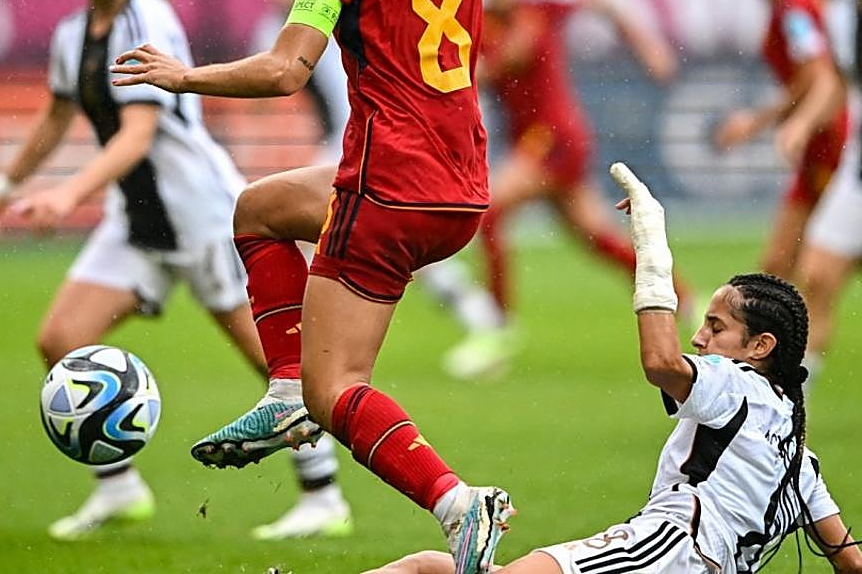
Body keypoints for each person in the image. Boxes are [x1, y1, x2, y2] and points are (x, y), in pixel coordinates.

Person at [110, 0, 640, 572]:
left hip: (386, 186)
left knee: (338, 391)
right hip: (460, 189)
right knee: (258, 208)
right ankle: (283, 389)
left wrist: (184, 77)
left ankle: (455, 503)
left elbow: (287, 69)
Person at [0, 0, 350, 542]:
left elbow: (137, 133)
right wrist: (4, 187)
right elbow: (56, 117)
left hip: (204, 217)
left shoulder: (148, 17)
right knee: (61, 339)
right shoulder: (71, 35)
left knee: (276, 363)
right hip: (138, 221)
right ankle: (119, 488)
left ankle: (324, 497)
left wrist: (67, 195)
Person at [365, 163, 862, 574]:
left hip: (665, 551)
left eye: (716, 327)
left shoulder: (738, 386)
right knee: (429, 568)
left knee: (440, 570)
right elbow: (850, 561)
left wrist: (651, 244)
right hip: (683, 558)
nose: (700, 338)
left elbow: (661, 362)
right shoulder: (799, 461)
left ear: (760, 347)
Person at [444, 0, 683, 379]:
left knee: (489, 211)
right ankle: (685, 298)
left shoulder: (541, 7)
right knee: (598, 239)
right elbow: (471, 72)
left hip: (554, 136)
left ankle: (497, 327)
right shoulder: (475, 24)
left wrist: (649, 47)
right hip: (534, 142)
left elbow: (603, 2)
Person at [252, 0, 477, 330]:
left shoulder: (329, 14)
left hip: (363, 138)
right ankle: (466, 303)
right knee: (372, 236)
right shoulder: (272, 30)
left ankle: (304, 327)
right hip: (339, 141)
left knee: (305, 224)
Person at [714, 0, 847, 280]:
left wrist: (764, 122)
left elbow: (819, 74)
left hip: (832, 141)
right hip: (818, 143)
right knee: (780, 266)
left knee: (804, 268)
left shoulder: (794, 6)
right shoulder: (790, 2)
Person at [795, 0, 862, 382]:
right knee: (816, 276)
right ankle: (791, 409)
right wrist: (802, 123)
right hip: (856, 171)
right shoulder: (843, 12)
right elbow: (838, 83)